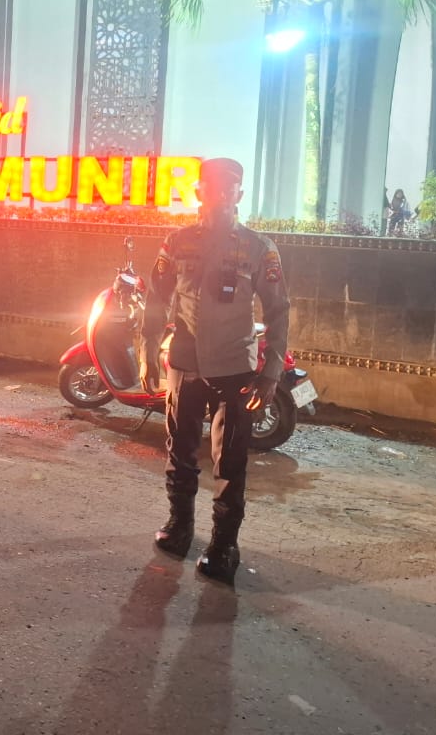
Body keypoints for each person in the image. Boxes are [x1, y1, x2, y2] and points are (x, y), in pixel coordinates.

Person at [140, 157, 290, 586]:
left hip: (235, 370)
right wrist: (147, 351)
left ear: (239, 194)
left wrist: (271, 372)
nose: (221, 195)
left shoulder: (260, 248)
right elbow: (156, 298)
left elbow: (278, 310)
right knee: (180, 452)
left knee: (231, 461)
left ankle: (224, 545)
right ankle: (179, 527)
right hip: (185, 364)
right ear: (199, 192)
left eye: (230, 188)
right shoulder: (177, 242)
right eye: (213, 187)